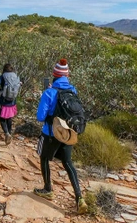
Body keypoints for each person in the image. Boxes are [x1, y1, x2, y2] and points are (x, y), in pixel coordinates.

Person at [34, 58, 88, 214]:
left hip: (51, 133)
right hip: (68, 134)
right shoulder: (73, 91)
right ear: (67, 76)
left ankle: (48, 189)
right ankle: (79, 198)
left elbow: (40, 116)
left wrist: (47, 95)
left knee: (44, 158)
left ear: (54, 75)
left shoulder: (49, 92)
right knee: (68, 163)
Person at [0, 63, 19, 145]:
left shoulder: (3, 76)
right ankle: (10, 132)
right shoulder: (15, 75)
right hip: (12, 101)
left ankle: (7, 133)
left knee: (2, 118)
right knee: (9, 118)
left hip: (3, 101)